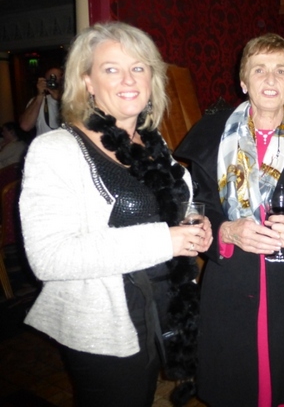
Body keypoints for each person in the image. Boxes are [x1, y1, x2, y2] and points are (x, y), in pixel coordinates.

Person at [19, 22, 213, 407]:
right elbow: (49, 257)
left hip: (165, 306)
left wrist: (194, 224)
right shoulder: (56, 150)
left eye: (138, 67)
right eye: (112, 69)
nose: (129, 79)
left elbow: (167, 210)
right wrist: (165, 240)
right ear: (87, 81)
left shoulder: (154, 144)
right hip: (105, 321)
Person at [174, 33, 284, 407]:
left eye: (280, 70)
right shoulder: (211, 135)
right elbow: (193, 210)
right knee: (235, 392)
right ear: (244, 82)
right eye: (259, 70)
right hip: (231, 287)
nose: (270, 79)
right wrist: (226, 231)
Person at [19, 66, 64, 136]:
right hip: (45, 142)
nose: (53, 82)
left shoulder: (73, 100)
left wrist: (60, 99)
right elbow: (25, 126)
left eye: (57, 78)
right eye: (50, 79)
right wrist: (40, 95)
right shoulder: (38, 101)